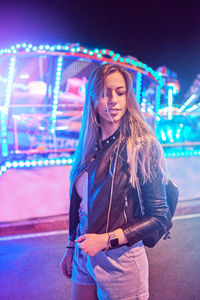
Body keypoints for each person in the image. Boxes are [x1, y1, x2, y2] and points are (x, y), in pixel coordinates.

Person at [60, 63, 168, 300]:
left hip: (121, 258)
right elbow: (78, 203)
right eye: (105, 93)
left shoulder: (141, 145)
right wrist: (70, 246)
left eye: (120, 92)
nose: (113, 100)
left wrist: (107, 240)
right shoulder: (88, 145)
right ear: (93, 98)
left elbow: (159, 216)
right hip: (84, 251)